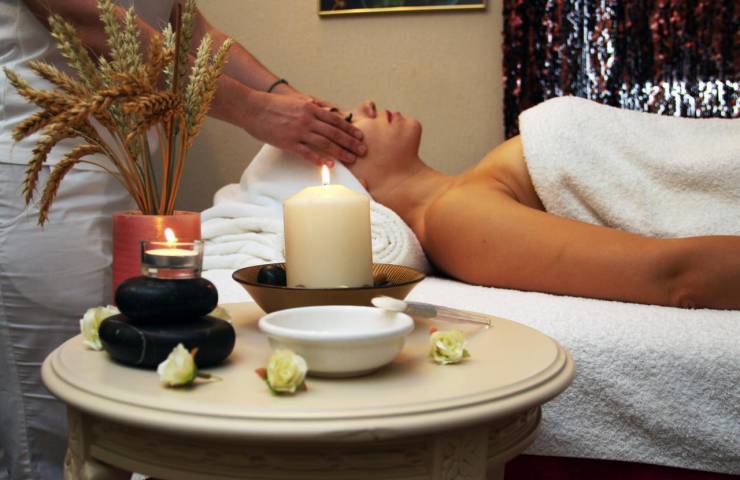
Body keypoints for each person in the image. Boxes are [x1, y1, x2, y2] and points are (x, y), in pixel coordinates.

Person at [0, 1, 361, 479]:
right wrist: (255, 109)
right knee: (54, 416)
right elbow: (93, 18)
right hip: (39, 170)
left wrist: (290, 102)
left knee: (121, 377)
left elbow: (185, 24)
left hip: (127, 165)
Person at [341, 98, 740, 310]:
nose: (366, 106)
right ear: (349, 181)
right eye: (344, 120)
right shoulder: (454, 220)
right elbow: (673, 277)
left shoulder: (465, 191)